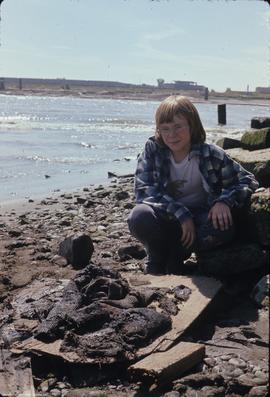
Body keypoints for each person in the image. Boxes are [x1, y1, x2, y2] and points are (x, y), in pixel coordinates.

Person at [128, 95, 259, 275]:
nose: (172, 135)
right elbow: (144, 191)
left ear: (192, 125)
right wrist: (182, 214)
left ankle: (177, 254)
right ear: (158, 130)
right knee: (138, 216)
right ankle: (156, 256)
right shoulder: (153, 151)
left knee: (224, 227)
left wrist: (224, 201)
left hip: (199, 221)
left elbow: (248, 180)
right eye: (165, 128)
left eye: (178, 126)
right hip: (165, 217)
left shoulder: (210, 154)